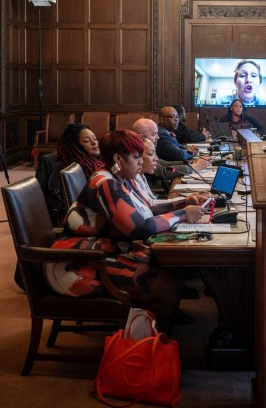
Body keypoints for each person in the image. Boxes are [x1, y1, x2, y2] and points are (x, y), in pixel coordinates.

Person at [47, 130, 206, 331]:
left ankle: (160, 324)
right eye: (137, 157)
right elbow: (139, 229)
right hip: (74, 263)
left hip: (100, 251)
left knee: (169, 266)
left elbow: (147, 209)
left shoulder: (121, 177)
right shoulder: (106, 183)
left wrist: (183, 203)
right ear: (118, 159)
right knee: (164, 283)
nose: (141, 162)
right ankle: (155, 346)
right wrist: (183, 214)